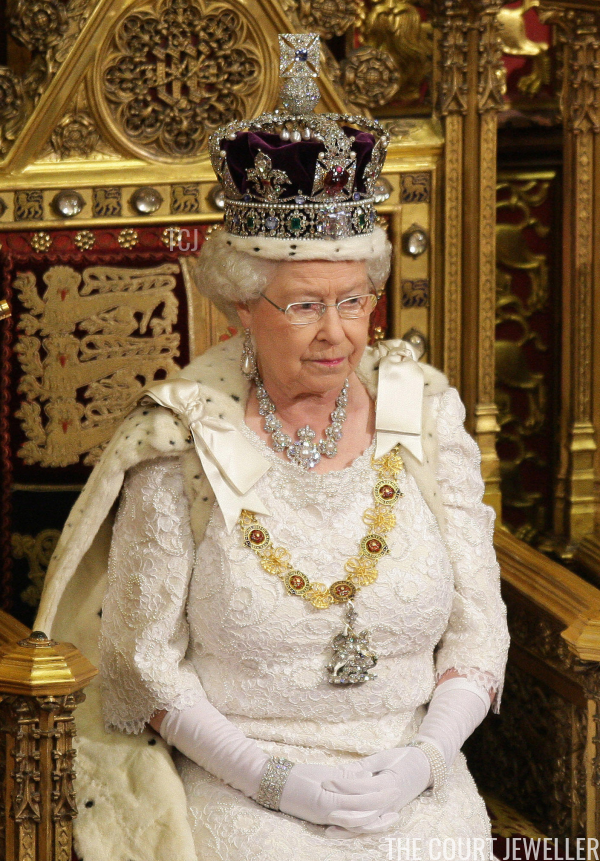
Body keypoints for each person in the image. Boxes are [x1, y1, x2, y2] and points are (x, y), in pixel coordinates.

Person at [35, 33, 509, 861]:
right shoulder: (183, 438)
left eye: (353, 301)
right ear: (242, 309)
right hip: (244, 790)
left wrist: (427, 760)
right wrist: (276, 780)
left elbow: (479, 632)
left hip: (415, 784)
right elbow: (145, 663)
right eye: (303, 306)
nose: (336, 334)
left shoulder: (425, 418)